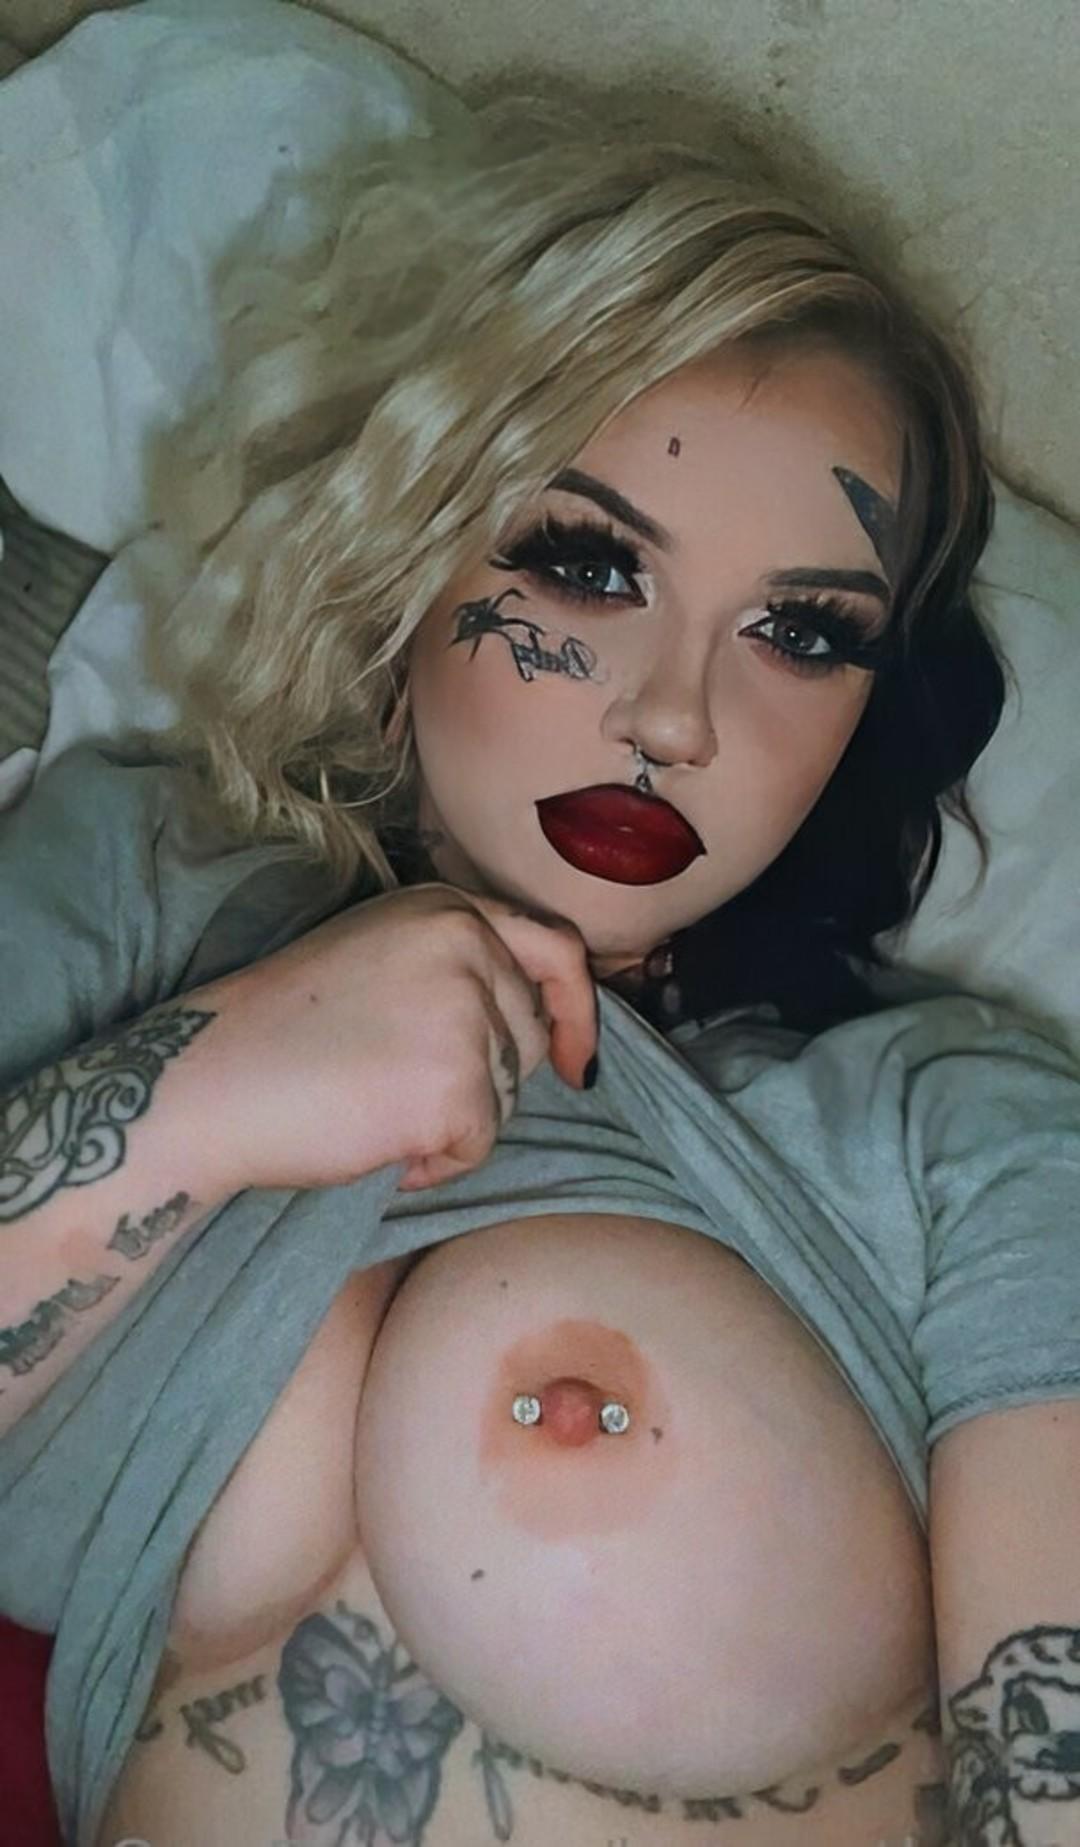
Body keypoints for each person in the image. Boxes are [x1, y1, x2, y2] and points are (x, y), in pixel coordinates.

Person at [2, 97, 1079, 1847]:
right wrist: (210, 1081)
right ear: (404, 541)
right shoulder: (135, 888)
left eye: (803, 633)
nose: (674, 717)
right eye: (587, 564)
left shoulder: (964, 1124)